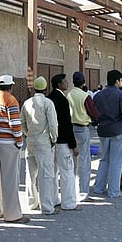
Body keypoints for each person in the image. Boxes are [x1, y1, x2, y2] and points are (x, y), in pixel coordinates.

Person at [0, 74, 29, 223]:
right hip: (8, 143)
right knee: (10, 179)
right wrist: (19, 140)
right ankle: (13, 215)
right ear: (11, 86)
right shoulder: (11, 100)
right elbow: (15, 124)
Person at [21, 76, 59, 215]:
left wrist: (28, 133)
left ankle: (32, 203)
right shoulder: (47, 103)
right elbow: (53, 124)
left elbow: (22, 123)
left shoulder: (27, 103)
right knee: (46, 175)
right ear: (45, 88)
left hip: (30, 142)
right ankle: (47, 207)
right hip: (44, 143)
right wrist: (53, 138)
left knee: (30, 174)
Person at [93, 70, 122, 198]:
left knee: (104, 159)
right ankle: (113, 191)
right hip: (119, 130)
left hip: (103, 131)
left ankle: (98, 188)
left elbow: (95, 114)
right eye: (120, 80)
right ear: (117, 81)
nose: (121, 82)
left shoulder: (98, 95)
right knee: (116, 161)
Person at [48, 74, 81, 210]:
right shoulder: (62, 100)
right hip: (63, 142)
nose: (67, 83)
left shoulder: (49, 99)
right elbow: (67, 124)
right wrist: (73, 145)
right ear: (59, 84)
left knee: (53, 172)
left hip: (51, 142)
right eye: (65, 82)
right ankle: (69, 203)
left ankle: (54, 199)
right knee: (67, 172)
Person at [67, 71, 99, 202]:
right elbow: (94, 113)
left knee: (73, 162)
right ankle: (83, 193)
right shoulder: (85, 96)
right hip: (82, 128)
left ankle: (72, 191)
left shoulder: (68, 94)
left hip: (71, 128)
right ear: (84, 82)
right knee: (84, 162)